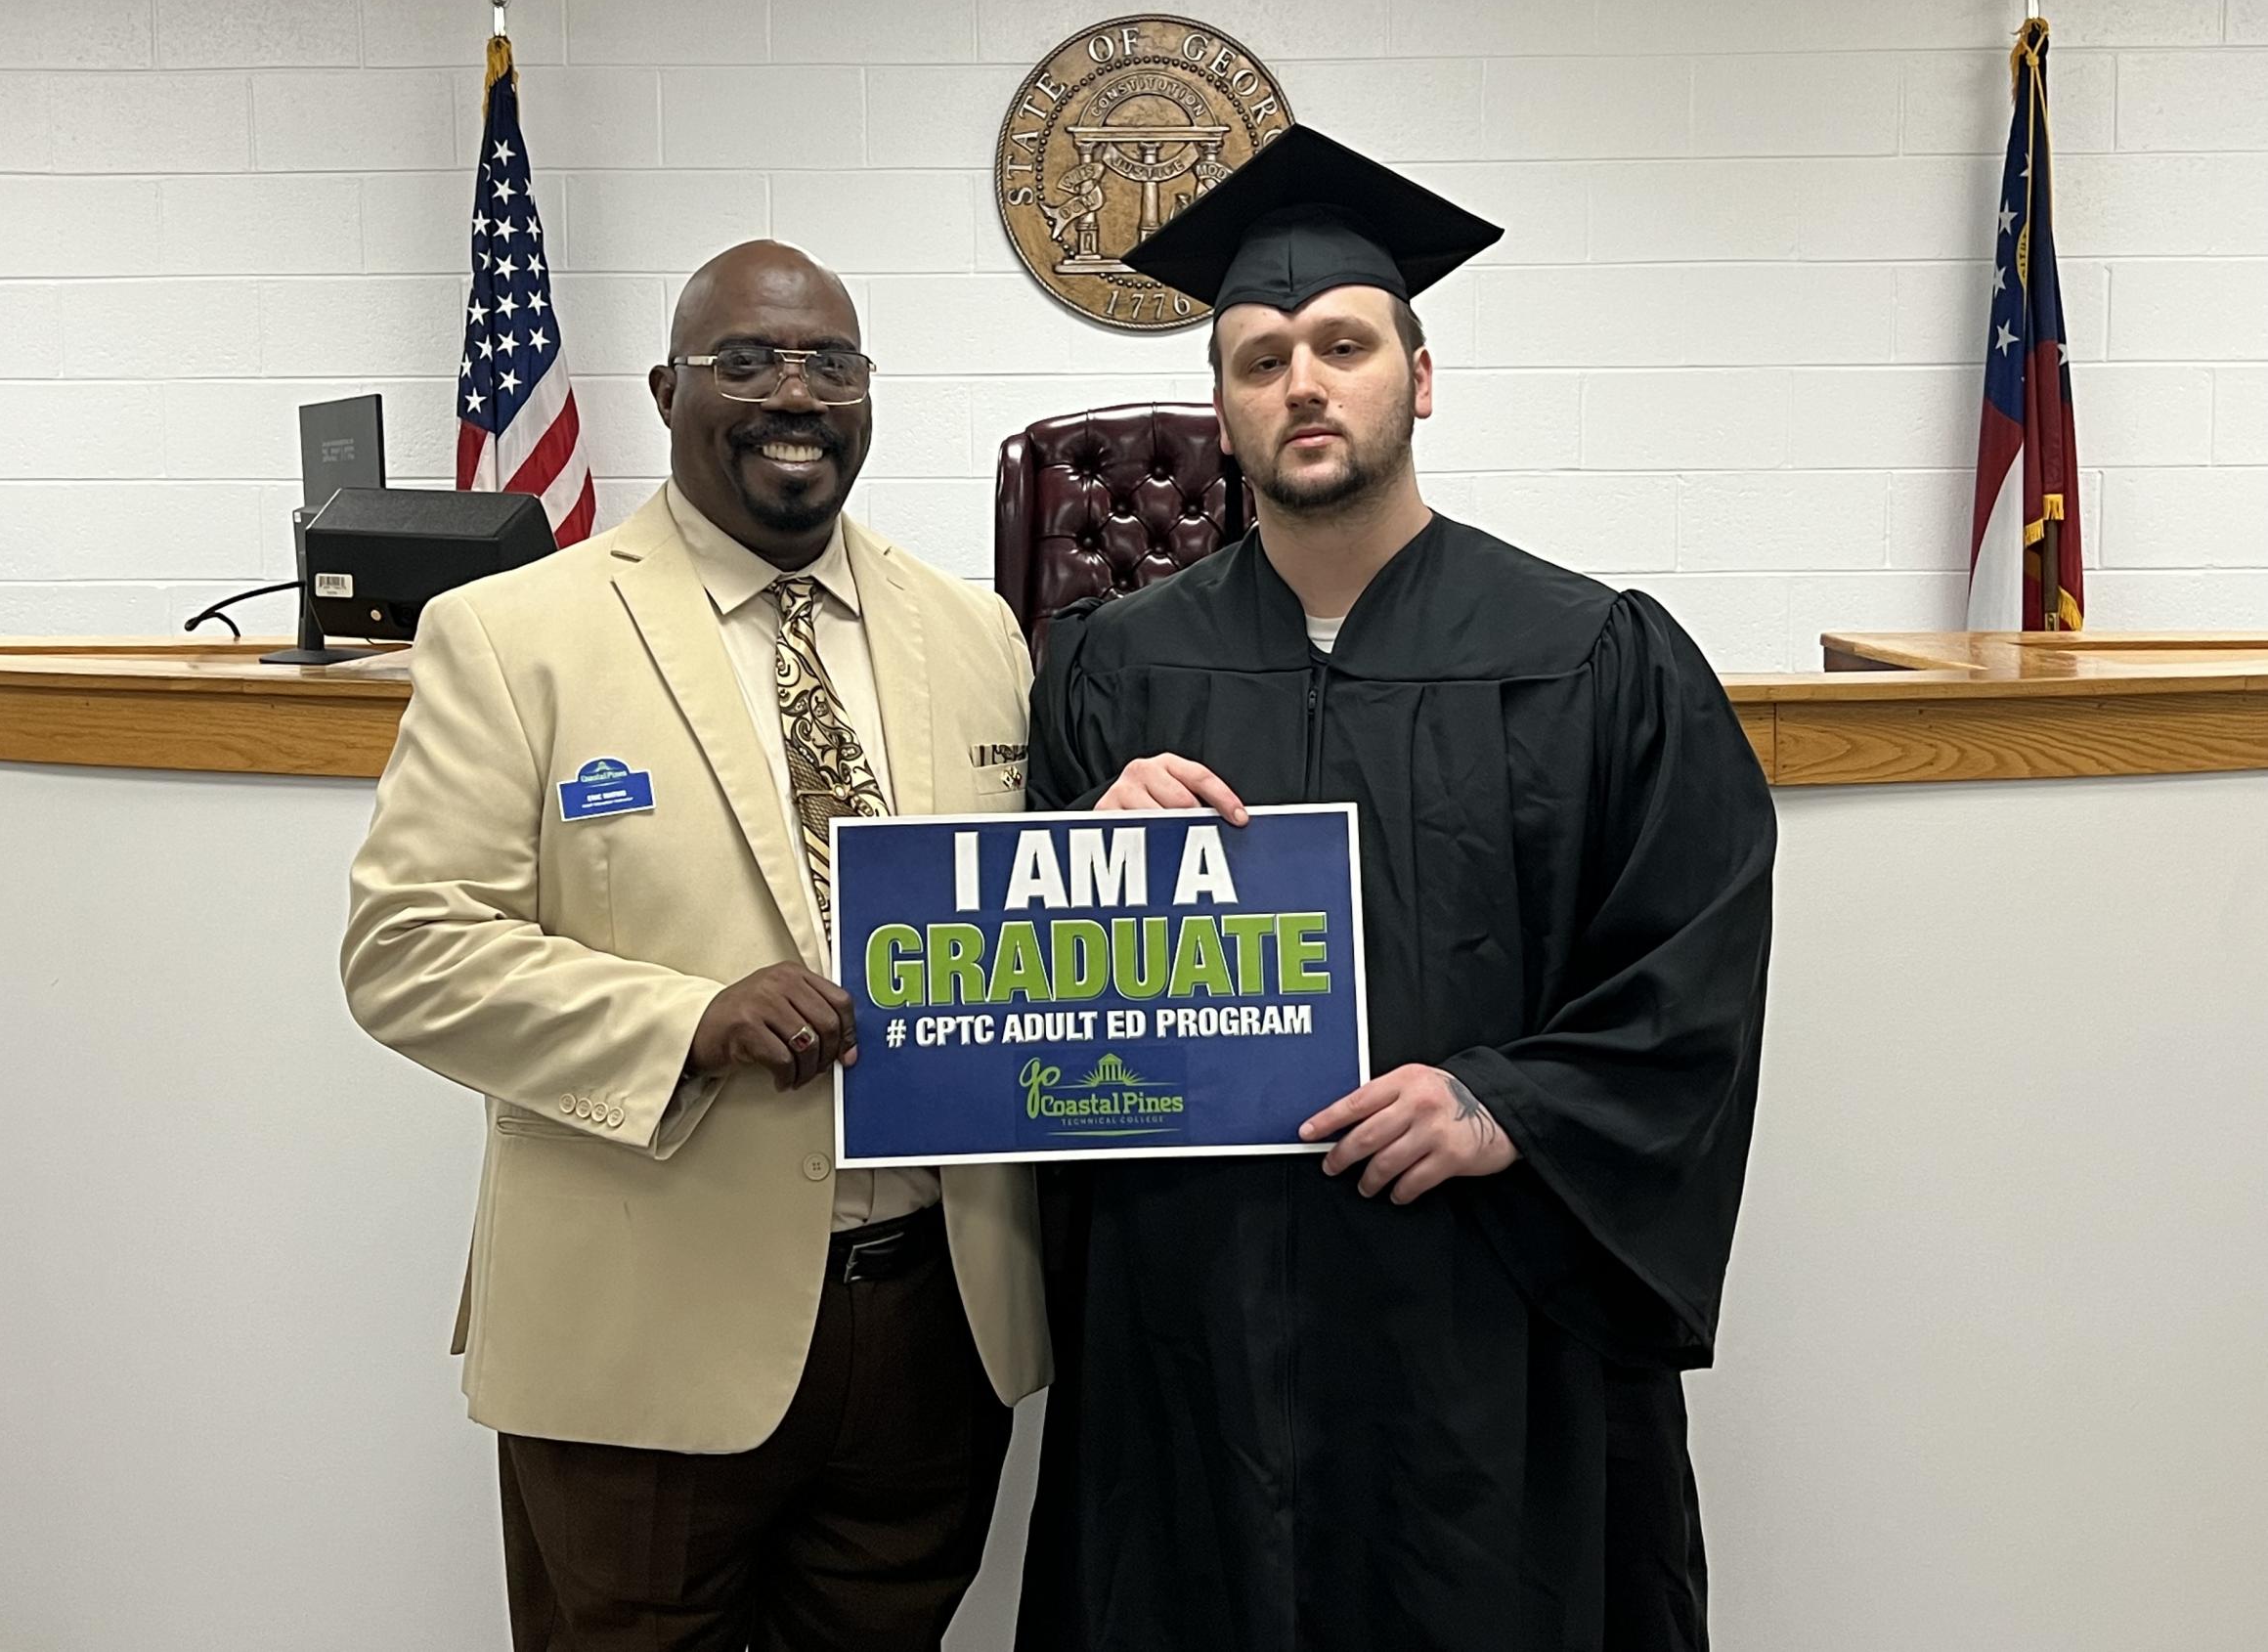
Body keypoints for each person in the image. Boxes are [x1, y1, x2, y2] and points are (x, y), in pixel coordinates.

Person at [1014, 127, 1777, 1652]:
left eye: (1343, 345)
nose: (1303, 381)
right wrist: (1079, 861)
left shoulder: (1596, 653)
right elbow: (1026, 1030)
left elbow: (1692, 966)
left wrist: (1516, 1104)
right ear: (1220, 415)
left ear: (1416, 381)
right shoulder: (1113, 668)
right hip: (1201, 1306)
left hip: (1481, 1310)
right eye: (1260, 357)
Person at [342, 240, 1048, 1652]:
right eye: (748, 360)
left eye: (829, 364)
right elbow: (407, 949)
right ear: (668, 390)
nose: (794, 392)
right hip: (641, 1324)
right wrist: (687, 1021)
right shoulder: (511, 632)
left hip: (930, 1325)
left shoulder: (979, 634)